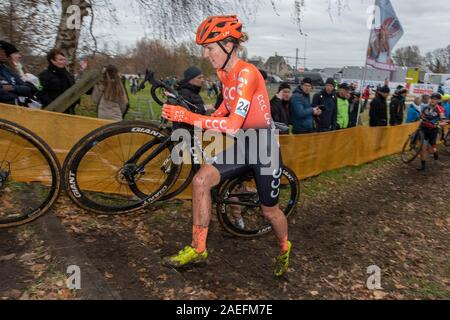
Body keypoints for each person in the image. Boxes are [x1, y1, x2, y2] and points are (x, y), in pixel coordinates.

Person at [161, 15, 291, 277]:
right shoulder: (224, 73)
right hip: (245, 142)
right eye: (205, 48)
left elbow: (231, 124)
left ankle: (284, 247)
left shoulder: (247, 73)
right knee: (201, 181)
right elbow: (226, 108)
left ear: (229, 44)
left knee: (270, 211)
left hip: (263, 145)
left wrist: (188, 117)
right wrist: (201, 111)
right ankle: (198, 248)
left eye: (209, 47)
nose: (206, 55)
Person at [38, 49, 78, 114]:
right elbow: (41, 93)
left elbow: (74, 89)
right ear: (52, 61)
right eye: (60, 60)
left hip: (69, 111)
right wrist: (53, 105)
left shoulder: (68, 75)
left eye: (64, 59)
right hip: (51, 111)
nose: (63, 62)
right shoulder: (44, 75)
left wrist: (76, 102)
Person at [417, 93, 447, 171]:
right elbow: (421, 115)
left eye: (435, 99)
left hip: (433, 131)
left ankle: (435, 152)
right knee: (423, 148)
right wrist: (421, 117)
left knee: (431, 149)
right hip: (423, 129)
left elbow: (444, 122)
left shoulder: (440, 109)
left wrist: (437, 124)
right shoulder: (425, 107)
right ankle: (423, 165)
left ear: (438, 100)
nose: (433, 100)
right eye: (432, 98)